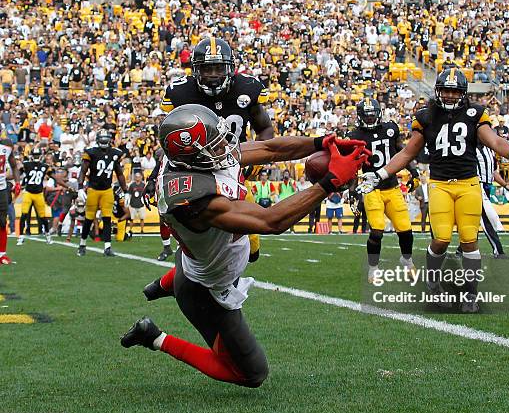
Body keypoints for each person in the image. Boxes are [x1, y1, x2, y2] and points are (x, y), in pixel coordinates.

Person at [122, 104, 368, 388]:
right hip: (207, 291)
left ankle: (163, 286)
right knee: (252, 374)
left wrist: (323, 142)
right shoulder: (193, 198)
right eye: (214, 145)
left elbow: (269, 149)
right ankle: (153, 336)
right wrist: (329, 182)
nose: (224, 147)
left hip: (198, 258)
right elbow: (271, 221)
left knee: (220, 253)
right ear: (192, 157)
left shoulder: (195, 157)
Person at [358, 68, 509, 313]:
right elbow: (407, 153)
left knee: (469, 241)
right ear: (438, 91)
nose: (448, 95)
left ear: (462, 93)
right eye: (445, 90)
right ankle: (433, 285)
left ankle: (470, 295)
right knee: (441, 239)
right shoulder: (426, 116)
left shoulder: (474, 113)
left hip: (469, 183)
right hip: (439, 184)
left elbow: (495, 141)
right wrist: (382, 174)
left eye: (454, 91)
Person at [159, 37, 274, 261]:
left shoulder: (247, 88)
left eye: (218, 68)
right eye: (206, 69)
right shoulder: (181, 92)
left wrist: (253, 162)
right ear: (195, 70)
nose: (212, 75)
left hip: (232, 168)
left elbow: (266, 130)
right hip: (195, 170)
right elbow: (169, 140)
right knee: (197, 241)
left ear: (230, 68)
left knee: (251, 250)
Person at [348, 98, 416, 281]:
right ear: (360, 117)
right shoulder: (355, 135)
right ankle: (373, 267)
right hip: (371, 188)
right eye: (366, 116)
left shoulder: (390, 129)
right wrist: (352, 189)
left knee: (405, 229)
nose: (369, 119)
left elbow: (402, 152)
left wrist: (414, 172)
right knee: (377, 230)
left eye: (372, 116)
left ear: (378, 114)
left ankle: (407, 260)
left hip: (392, 187)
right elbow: (353, 165)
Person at [77, 132, 128, 257]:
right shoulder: (91, 152)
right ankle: (82, 245)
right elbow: (83, 171)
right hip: (93, 189)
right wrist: (79, 188)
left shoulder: (115, 153)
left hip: (107, 190)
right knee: (89, 219)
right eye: (102, 139)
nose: (104, 142)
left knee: (107, 218)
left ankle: (107, 247)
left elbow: (120, 173)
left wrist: (126, 191)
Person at [17, 147, 70, 245]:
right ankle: (47, 237)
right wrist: (67, 186)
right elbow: (56, 179)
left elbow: (17, 172)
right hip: (36, 193)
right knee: (41, 217)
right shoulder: (45, 166)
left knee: (25, 216)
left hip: (30, 193)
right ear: (40, 156)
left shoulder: (27, 164)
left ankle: (21, 237)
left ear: (31, 156)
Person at [0, 139, 21, 264]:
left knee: (2, 221)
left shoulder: (5, 147)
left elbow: (14, 166)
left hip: (1, 189)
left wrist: (17, 182)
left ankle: (2, 254)